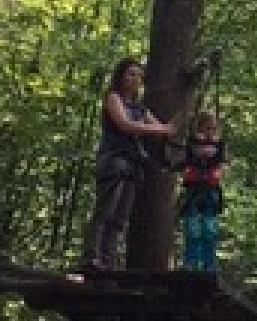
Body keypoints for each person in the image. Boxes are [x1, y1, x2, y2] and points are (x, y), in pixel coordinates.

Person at [79, 58, 176, 271]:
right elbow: (125, 125)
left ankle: (108, 261)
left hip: (133, 166)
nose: (135, 79)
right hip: (114, 161)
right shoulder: (114, 98)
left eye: (139, 75)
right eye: (131, 74)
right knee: (106, 210)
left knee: (119, 218)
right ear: (121, 76)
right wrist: (160, 129)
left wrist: (170, 129)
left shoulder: (140, 108)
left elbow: (160, 128)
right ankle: (91, 257)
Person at [179, 108, 225, 273]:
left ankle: (209, 265)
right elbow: (189, 159)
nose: (209, 132)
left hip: (211, 191)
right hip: (193, 191)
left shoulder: (219, 146)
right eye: (206, 128)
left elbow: (220, 162)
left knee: (209, 228)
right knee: (192, 228)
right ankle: (190, 264)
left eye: (213, 128)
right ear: (199, 128)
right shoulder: (191, 144)